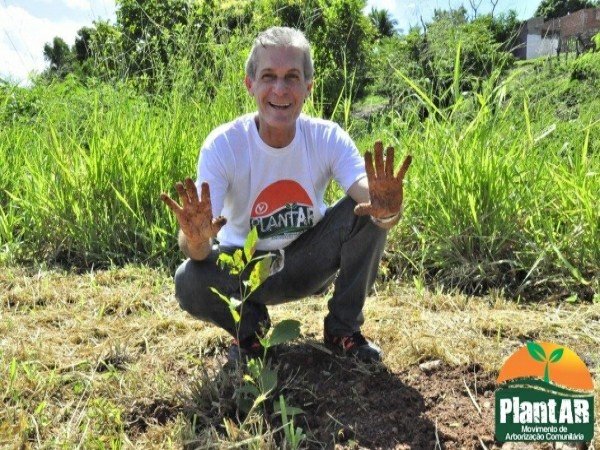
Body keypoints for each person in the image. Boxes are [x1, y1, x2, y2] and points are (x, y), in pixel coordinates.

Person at [160, 26, 411, 363]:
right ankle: (251, 332)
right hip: (244, 272)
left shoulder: (327, 138)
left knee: (364, 213)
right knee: (188, 278)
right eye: (268, 76)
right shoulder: (224, 145)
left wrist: (387, 209)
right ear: (251, 84)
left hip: (308, 262)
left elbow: (366, 196)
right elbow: (199, 245)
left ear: (308, 87)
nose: (280, 89)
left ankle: (343, 330)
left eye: (292, 77)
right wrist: (194, 238)